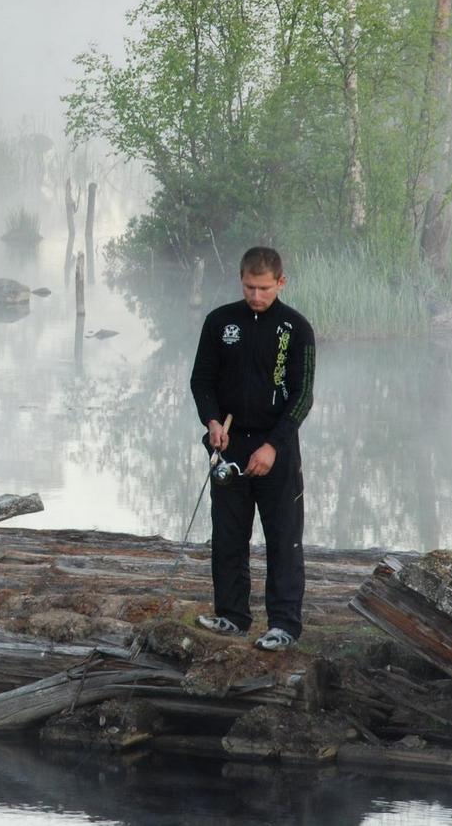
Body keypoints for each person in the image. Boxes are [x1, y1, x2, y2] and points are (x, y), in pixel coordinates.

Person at [189, 246, 316, 652]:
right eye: (249, 287)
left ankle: (283, 625)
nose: (256, 296)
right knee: (227, 535)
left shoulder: (296, 329)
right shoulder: (219, 322)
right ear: (240, 279)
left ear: (281, 282)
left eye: (263, 288)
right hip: (229, 443)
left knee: (283, 538)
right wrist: (211, 420)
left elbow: (302, 396)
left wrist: (273, 447)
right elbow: (201, 380)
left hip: (276, 447)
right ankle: (231, 615)